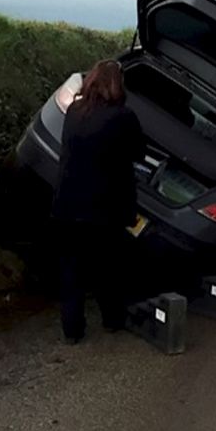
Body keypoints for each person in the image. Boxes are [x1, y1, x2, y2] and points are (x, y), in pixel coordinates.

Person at [52, 60, 144, 344]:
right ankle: (112, 321)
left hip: (67, 205)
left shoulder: (74, 111)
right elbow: (139, 153)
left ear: (90, 81)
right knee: (109, 268)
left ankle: (72, 331)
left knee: (71, 270)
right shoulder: (123, 116)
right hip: (105, 210)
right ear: (118, 85)